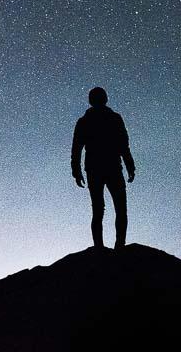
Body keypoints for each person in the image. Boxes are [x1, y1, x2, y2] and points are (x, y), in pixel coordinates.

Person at [70, 87, 136, 249]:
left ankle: (108, 246)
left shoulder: (88, 121)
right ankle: (114, 245)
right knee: (114, 209)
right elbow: (123, 145)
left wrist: (130, 165)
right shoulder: (111, 118)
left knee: (103, 210)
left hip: (99, 168)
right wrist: (130, 165)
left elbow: (77, 148)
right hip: (106, 167)